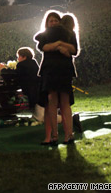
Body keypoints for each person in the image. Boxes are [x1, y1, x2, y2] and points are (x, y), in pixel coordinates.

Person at [34, 11, 80, 145]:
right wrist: (59, 45)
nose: (53, 23)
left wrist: (60, 45)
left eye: (56, 20)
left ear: (60, 21)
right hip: (52, 70)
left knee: (61, 102)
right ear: (47, 23)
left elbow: (74, 49)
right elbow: (42, 46)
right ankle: (58, 135)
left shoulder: (67, 34)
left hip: (61, 70)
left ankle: (65, 135)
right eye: (51, 21)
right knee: (53, 102)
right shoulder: (48, 33)